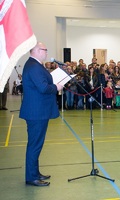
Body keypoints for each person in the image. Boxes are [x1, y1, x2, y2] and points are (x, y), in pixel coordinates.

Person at [19, 42, 64, 186]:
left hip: (38, 111)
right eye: (45, 50)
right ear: (37, 51)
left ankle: (35, 173)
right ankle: (31, 177)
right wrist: (56, 86)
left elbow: (42, 83)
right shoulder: (34, 67)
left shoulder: (35, 65)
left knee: (36, 144)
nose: (46, 53)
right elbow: (43, 87)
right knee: (34, 145)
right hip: (36, 112)